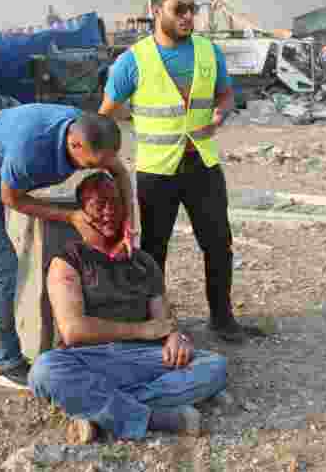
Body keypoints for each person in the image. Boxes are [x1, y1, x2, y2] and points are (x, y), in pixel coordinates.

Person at [98, 0, 264, 343]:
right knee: (154, 250)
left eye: (194, 9)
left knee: (218, 243)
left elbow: (225, 96)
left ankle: (222, 319)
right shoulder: (132, 62)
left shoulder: (209, 52)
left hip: (203, 166)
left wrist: (221, 115)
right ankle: (153, 325)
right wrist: (102, 165)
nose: (189, 16)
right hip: (157, 172)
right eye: (180, 9)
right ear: (157, 10)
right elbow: (104, 115)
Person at [0, 104, 135, 390]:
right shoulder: (31, 149)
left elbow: (121, 175)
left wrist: (128, 224)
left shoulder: (93, 132)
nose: (93, 169)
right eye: (89, 165)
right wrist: (72, 216)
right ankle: (6, 363)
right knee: (2, 265)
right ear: (74, 143)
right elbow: (12, 199)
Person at [30, 172, 227, 443]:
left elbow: (164, 320)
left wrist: (174, 338)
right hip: (90, 360)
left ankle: (100, 410)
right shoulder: (68, 260)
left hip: (140, 358)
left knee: (213, 365)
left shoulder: (144, 262)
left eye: (116, 203)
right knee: (45, 370)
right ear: (82, 213)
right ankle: (152, 417)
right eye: (99, 205)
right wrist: (144, 330)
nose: (109, 211)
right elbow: (74, 330)